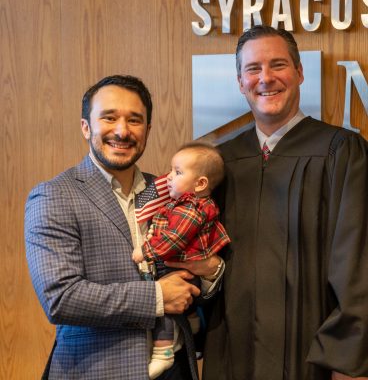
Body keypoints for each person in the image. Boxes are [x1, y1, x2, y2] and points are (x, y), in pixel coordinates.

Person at [180, 25, 368, 379]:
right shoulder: (220, 164)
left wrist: (350, 361)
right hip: (232, 352)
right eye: (253, 69)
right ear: (239, 81)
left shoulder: (342, 152)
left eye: (278, 65)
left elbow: (366, 265)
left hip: (313, 356)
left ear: (299, 72)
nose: (265, 78)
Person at [25, 75, 222, 379]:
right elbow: (61, 298)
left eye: (134, 120)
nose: (122, 130)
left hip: (178, 368)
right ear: (85, 126)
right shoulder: (54, 195)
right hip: (98, 370)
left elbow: (192, 271)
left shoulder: (169, 192)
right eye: (109, 117)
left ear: (147, 130)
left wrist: (210, 273)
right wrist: (157, 297)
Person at [132, 141, 230, 378]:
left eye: (177, 172)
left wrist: (145, 252)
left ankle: (163, 351)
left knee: (165, 304)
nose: (168, 177)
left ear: (200, 183)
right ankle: (193, 321)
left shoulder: (190, 208)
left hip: (177, 266)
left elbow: (173, 239)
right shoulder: (185, 203)